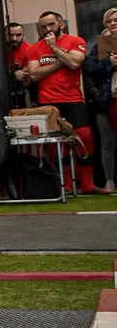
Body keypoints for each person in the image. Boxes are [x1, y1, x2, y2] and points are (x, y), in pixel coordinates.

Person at [26, 11, 106, 193]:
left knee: (84, 137)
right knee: (54, 145)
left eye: (51, 24)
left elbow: (75, 63)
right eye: (43, 26)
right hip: (47, 102)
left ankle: (86, 184)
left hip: (73, 99)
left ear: (61, 24)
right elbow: (34, 74)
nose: (48, 29)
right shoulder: (35, 48)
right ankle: (67, 184)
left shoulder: (75, 41)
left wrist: (54, 49)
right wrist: (60, 61)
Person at [82, 8, 117, 191]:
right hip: (107, 99)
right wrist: (108, 64)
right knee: (107, 142)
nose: (113, 23)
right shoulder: (103, 44)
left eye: (116, 20)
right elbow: (90, 69)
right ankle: (109, 180)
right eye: (109, 21)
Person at [7, 22, 34, 108]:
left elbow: (25, 78)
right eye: (10, 35)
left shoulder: (29, 49)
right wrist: (12, 74)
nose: (14, 38)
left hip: (21, 91)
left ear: (23, 36)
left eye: (18, 35)